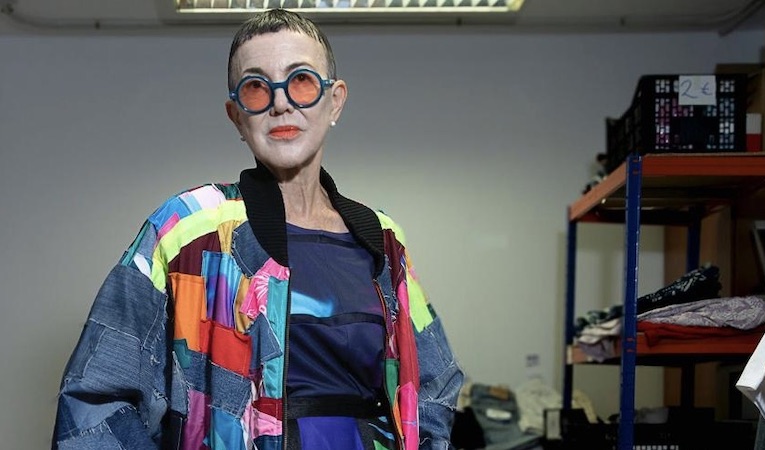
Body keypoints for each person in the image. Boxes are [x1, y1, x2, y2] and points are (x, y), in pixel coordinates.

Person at [52, 8, 464, 450]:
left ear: (335, 101)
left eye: (301, 80)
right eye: (256, 87)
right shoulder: (187, 228)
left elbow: (434, 384)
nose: (281, 103)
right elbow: (94, 399)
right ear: (236, 116)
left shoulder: (381, 238)